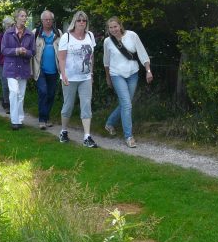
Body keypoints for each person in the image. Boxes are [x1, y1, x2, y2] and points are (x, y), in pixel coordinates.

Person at [103, 16, 153, 148]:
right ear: (108, 29)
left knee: (126, 104)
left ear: (120, 25)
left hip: (132, 74)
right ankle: (129, 136)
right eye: (110, 27)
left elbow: (142, 53)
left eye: (115, 26)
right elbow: (106, 62)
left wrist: (148, 70)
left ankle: (109, 123)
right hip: (116, 74)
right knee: (126, 104)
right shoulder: (107, 41)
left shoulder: (132, 35)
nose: (113, 29)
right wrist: (108, 78)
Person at [58, 10, 98, 148]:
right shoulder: (66, 37)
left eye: (84, 20)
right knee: (68, 105)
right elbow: (61, 58)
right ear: (74, 22)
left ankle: (87, 136)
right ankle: (63, 131)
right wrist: (63, 75)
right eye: (79, 20)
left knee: (86, 105)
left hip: (85, 77)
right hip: (70, 77)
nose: (82, 22)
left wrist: (91, 74)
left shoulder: (90, 36)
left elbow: (91, 57)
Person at [2, 8, 35, 130]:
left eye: (25, 16)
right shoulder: (8, 33)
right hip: (10, 68)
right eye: (22, 16)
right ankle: (14, 120)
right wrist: (16, 51)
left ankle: (20, 119)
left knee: (21, 95)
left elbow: (33, 52)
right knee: (14, 92)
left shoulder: (30, 34)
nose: (24, 18)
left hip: (24, 68)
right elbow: (3, 50)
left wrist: (26, 52)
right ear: (16, 18)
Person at [32, 10, 62, 130]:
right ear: (42, 20)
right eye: (46, 19)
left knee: (51, 94)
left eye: (50, 19)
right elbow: (31, 52)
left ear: (52, 21)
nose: (48, 21)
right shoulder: (35, 33)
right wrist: (30, 70)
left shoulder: (58, 33)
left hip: (54, 69)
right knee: (43, 92)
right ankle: (42, 119)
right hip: (40, 69)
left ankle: (47, 116)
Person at [0, 16, 15, 113]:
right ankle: (6, 103)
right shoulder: (0, 36)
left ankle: (11, 102)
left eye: (11, 25)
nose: (10, 27)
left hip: (12, 64)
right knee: (5, 84)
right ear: (4, 26)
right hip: (2, 64)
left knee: (12, 85)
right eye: (8, 26)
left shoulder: (15, 36)